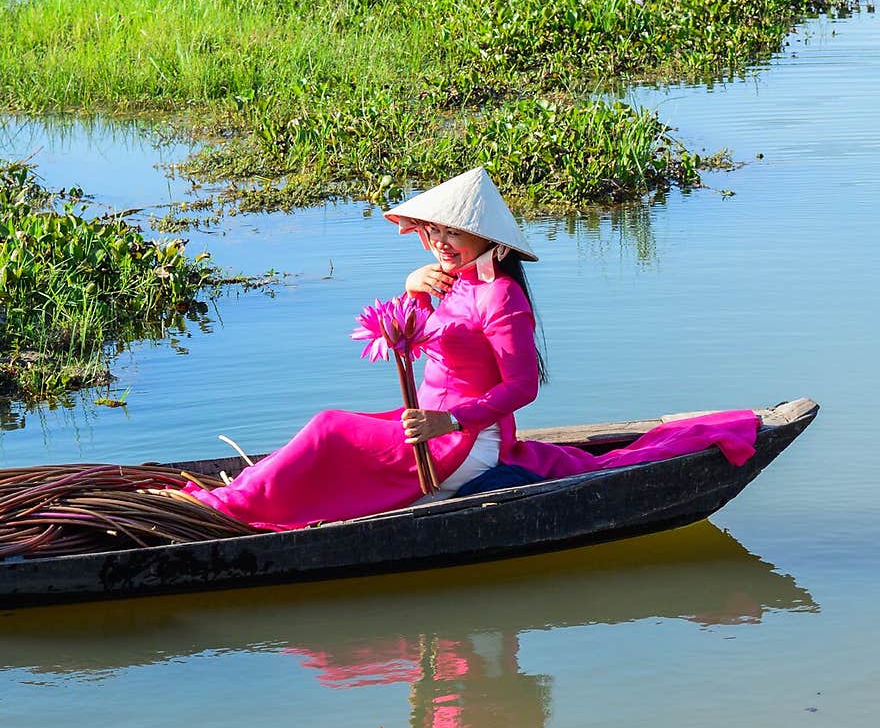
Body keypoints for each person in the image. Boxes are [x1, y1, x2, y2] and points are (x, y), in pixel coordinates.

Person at [183, 166, 758, 532]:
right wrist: (411, 287)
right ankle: (236, 499)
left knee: (330, 429)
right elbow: (404, 335)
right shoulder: (447, 282)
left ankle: (230, 509)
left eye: (450, 233)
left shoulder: (503, 298)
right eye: (432, 233)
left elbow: (521, 388)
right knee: (330, 430)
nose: (439, 243)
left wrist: (447, 421)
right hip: (426, 425)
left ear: (488, 238)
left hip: (463, 441)